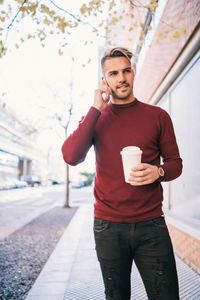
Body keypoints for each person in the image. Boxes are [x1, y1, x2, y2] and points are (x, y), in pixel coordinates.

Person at [61, 47, 182, 300]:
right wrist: (96, 109)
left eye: (126, 71)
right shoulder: (96, 118)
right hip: (108, 227)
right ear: (104, 80)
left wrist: (158, 171)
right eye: (113, 73)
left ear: (133, 72)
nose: (122, 78)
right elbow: (71, 156)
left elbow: (175, 164)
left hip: (151, 225)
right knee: (116, 296)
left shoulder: (158, 116)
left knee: (167, 295)